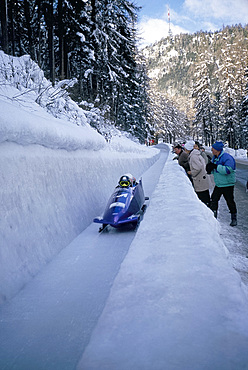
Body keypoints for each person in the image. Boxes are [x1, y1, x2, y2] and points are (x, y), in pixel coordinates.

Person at [206, 141, 237, 226]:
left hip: (227, 184)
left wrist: (215, 166)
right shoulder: (215, 157)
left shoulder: (227, 157)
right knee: (214, 200)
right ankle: (213, 217)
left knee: (230, 201)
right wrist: (209, 169)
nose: (211, 150)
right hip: (219, 184)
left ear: (217, 150)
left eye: (213, 149)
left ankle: (234, 217)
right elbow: (215, 169)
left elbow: (228, 170)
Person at [184, 141, 210, 206]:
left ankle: (207, 213)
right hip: (202, 178)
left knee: (203, 198)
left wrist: (191, 172)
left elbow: (198, 168)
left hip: (199, 179)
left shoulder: (193, 157)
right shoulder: (196, 154)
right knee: (206, 196)